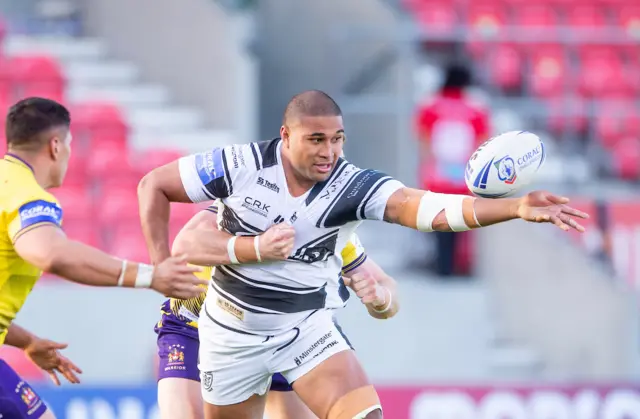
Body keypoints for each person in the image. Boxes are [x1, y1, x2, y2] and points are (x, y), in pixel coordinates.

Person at [138, 90, 588, 419]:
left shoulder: (348, 201)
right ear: (286, 137)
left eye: (338, 140)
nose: (329, 152)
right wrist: (251, 248)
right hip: (208, 325)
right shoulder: (241, 171)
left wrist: (512, 208)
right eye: (317, 140)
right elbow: (181, 235)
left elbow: (421, 209)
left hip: (300, 330)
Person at [0, 97, 208, 419]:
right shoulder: (27, 196)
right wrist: (149, 276)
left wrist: (27, 340)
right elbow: (50, 253)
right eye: (69, 144)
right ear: (56, 146)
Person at [155, 203, 399, 419]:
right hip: (192, 327)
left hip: (286, 332)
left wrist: (381, 299)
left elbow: (385, 287)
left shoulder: (328, 227)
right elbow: (184, 245)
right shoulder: (241, 208)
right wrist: (257, 247)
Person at [415, 63, 490, 276]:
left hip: (438, 173)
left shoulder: (430, 106)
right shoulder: (475, 109)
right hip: (463, 174)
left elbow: (424, 140)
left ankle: (442, 264)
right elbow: (482, 142)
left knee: (438, 219)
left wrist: (430, 167)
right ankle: (460, 264)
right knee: (462, 221)